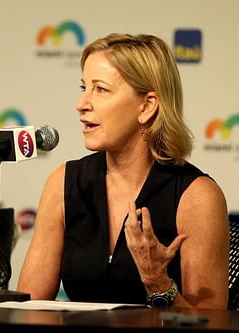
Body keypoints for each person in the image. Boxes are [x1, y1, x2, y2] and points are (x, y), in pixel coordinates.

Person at [17, 33, 229, 309]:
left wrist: (158, 282)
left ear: (147, 106)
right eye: (83, 87)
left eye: (100, 89)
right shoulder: (65, 182)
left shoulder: (197, 196)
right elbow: (29, 307)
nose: (81, 104)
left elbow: (211, 325)